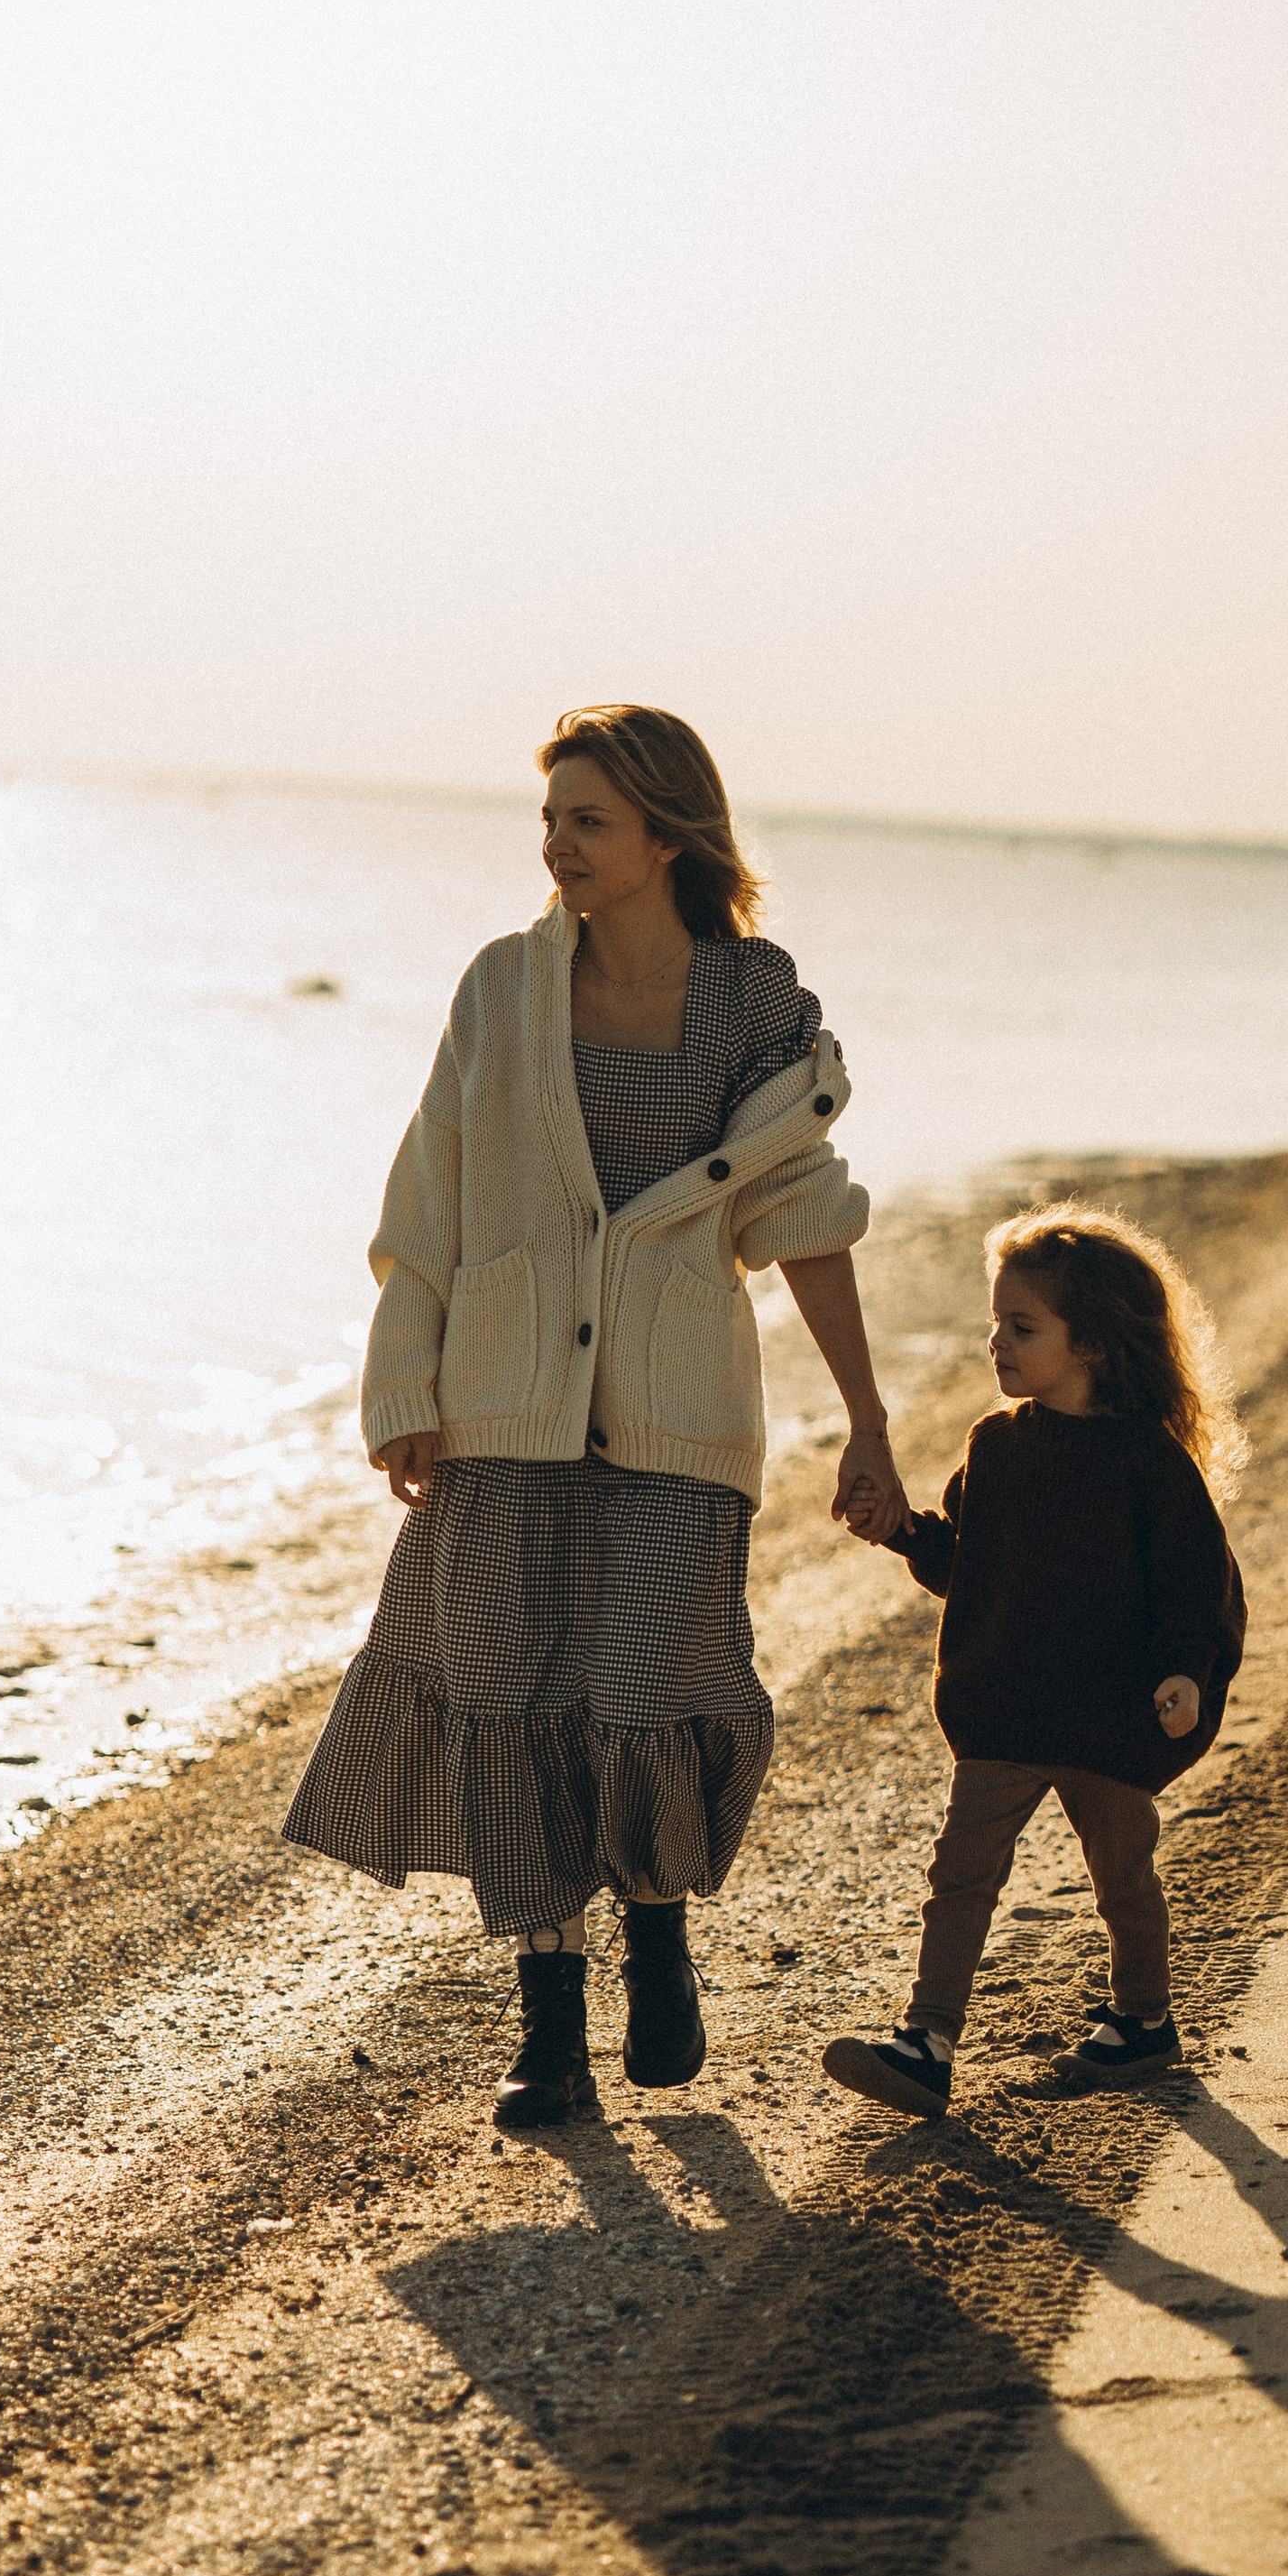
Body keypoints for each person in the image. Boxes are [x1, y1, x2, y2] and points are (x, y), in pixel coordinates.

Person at [282, 704, 910, 2128]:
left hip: (678, 1419)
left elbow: (804, 1219)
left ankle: (659, 1930)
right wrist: (405, 1390)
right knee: (512, 1700)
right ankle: (551, 2025)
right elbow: (427, 1202)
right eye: (550, 819)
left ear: (667, 836)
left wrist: (867, 1422)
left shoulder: (751, 1005)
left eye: (589, 821)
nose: (557, 846)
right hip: (506, 1411)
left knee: (646, 1688)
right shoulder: (503, 990)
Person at [823, 1201, 1247, 2120]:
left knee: (1122, 1878)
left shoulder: (1149, 1461)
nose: (997, 1343)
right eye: (995, 1323)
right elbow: (968, 1564)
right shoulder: (997, 1445)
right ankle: (927, 2040)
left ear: (1090, 1343)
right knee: (960, 1876)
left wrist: (1184, 1672)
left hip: (1110, 1716)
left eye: (1022, 1328)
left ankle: (1143, 2021)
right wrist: (899, 1531)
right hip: (1005, 1710)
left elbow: (1194, 1583)